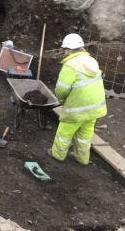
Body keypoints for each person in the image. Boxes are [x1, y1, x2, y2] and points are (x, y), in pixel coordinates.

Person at [48, 33, 107, 165]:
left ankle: (57, 155)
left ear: (68, 49)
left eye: (64, 49)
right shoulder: (92, 61)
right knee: (85, 134)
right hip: (95, 107)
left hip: (79, 107)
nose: (63, 52)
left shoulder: (70, 66)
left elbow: (62, 89)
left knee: (65, 131)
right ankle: (82, 158)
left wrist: (61, 100)